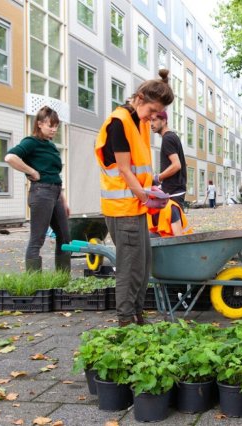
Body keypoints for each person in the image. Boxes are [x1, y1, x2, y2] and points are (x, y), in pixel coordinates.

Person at [95, 69, 174, 327]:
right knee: (129, 268)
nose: (154, 118)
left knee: (142, 264)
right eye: (152, 110)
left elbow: (139, 168)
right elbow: (124, 169)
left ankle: (138, 316)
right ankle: (126, 321)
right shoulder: (119, 121)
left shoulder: (137, 121)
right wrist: (144, 194)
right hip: (122, 208)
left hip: (136, 206)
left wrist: (150, 190)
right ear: (140, 97)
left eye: (158, 114)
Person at [5, 106, 71, 274]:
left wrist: (63, 200)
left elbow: (54, 174)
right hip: (42, 193)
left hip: (55, 193)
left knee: (64, 237)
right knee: (37, 240)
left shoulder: (50, 146)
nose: (54, 129)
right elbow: (10, 157)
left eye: (56, 126)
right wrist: (32, 171)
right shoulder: (31, 142)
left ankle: (63, 281)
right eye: (51, 125)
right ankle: (35, 285)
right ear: (40, 124)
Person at [151, 110, 187, 206]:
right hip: (175, 192)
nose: (151, 124)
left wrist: (158, 178)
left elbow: (176, 165)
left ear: (163, 121)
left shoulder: (168, 138)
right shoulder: (172, 136)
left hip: (173, 193)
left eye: (154, 120)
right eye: (150, 121)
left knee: (174, 221)